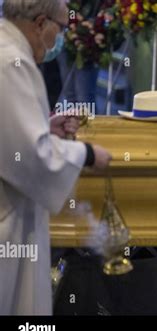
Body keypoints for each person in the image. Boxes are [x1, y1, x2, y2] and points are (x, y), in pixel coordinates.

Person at [0, 0, 112, 315]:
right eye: (61, 29)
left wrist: (44, 128)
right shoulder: (11, 62)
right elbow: (33, 158)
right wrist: (87, 153)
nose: (60, 39)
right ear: (40, 24)